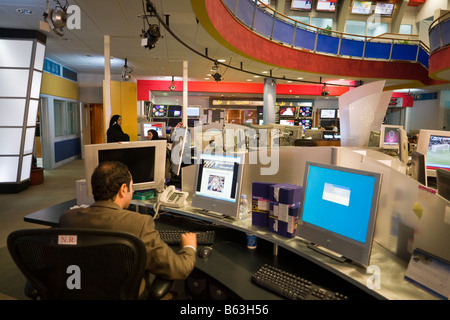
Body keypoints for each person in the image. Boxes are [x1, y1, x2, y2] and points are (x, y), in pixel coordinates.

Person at [59, 161, 197, 298]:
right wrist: (189, 248)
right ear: (123, 189)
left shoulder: (67, 219)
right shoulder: (139, 224)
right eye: (131, 187)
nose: (132, 191)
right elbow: (179, 269)